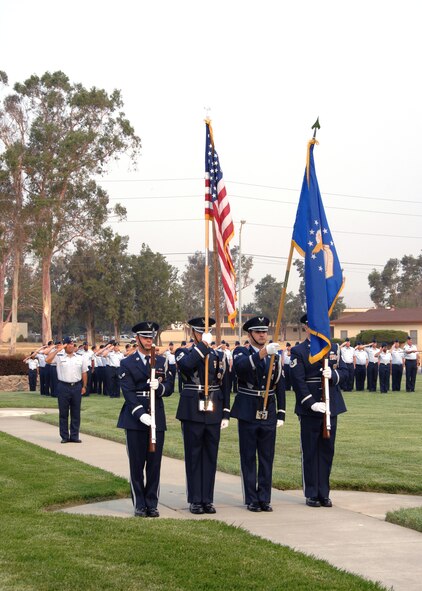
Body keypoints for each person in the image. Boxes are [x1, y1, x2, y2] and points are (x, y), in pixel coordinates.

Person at [117, 322, 174, 518]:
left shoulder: (161, 361)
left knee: (154, 463)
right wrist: (141, 413)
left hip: (156, 414)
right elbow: (128, 392)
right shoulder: (127, 363)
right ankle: (139, 504)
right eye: (145, 337)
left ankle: (152, 503)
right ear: (138, 339)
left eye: (151, 337)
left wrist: (159, 387)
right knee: (137, 463)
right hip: (135, 418)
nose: (149, 340)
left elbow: (170, 387)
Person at [290, 314, 347, 508]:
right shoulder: (298, 351)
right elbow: (298, 381)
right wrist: (310, 403)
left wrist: (334, 375)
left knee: (327, 450)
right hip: (311, 407)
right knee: (310, 450)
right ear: (306, 327)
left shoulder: (334, 348)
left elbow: (347, 372)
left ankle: (324, 492)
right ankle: (312, 492)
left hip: (331, 405)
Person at [175, 317, 231, 514]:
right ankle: (195, 499)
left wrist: (226, 412)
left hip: (213, 407)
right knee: (193, 455)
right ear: (193, 333)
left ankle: (207, 498)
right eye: (199, 332)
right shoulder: (184, 352)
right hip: (192, 408)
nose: (202, 335)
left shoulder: (219, 356)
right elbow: (186, 366)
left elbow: (225, 384)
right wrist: (203, 347)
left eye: (205, 333)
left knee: (210, 456)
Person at [231, 316, 285, 512]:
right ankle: (251, 498)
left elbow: (279, 384)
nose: (262, 335)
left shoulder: (275, 356)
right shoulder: (240, 352)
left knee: (266, 456)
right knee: (248, 456)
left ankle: (264, 497)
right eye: (258, 332)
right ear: (250, 334)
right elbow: (241, 368)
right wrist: (262, 353)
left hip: (268, 409)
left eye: (264, 331)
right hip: (248, 409)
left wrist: (281, 412)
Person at [45, 337, 88, 443]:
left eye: (72, 344)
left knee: (76, 412)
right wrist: (58, 350)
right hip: (63, 386)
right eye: (68, 344)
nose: (71, 345)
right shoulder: (59, 357)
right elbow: (48, 360)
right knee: (63, 413)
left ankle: (74, 436)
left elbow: (84, 372)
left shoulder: (79, 357)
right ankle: (64, 436)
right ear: (65, 345)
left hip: (77, 386)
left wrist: (84, 386)